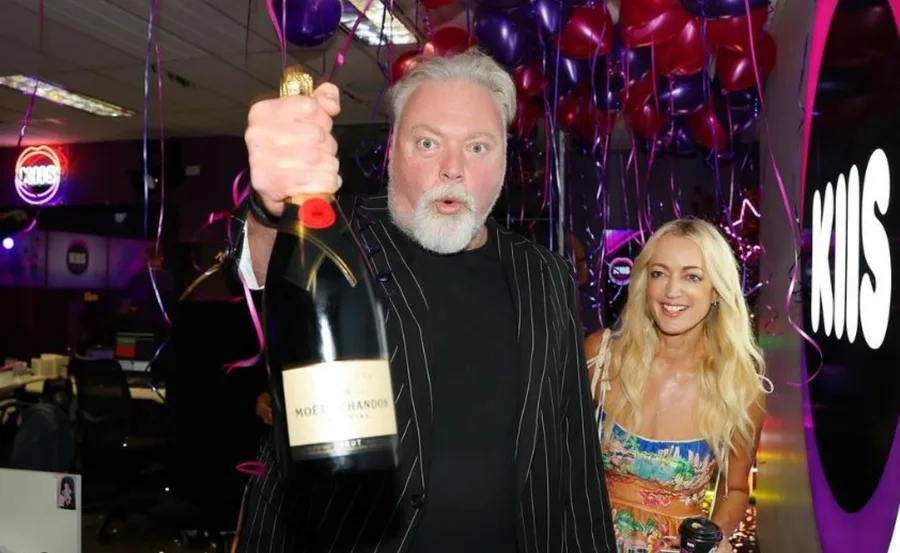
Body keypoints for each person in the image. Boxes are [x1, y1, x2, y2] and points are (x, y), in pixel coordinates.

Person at [226, 50, 616, 553]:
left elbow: (573, 450)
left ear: (503, 161)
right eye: (428, 142)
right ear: (393, 150)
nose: (452, 169)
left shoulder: (546, 274)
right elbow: (266, 263)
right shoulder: (336, 237)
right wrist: (270, 205)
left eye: (478, 147)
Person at [584, 218, 770, 553]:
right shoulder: (600, 357)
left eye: (692, 276)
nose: (672, 291)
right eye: (659, 273)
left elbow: (735, 490)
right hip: (587, 539)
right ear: (644, 281)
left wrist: (712, 539)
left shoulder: (739, 389)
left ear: (716, 292)